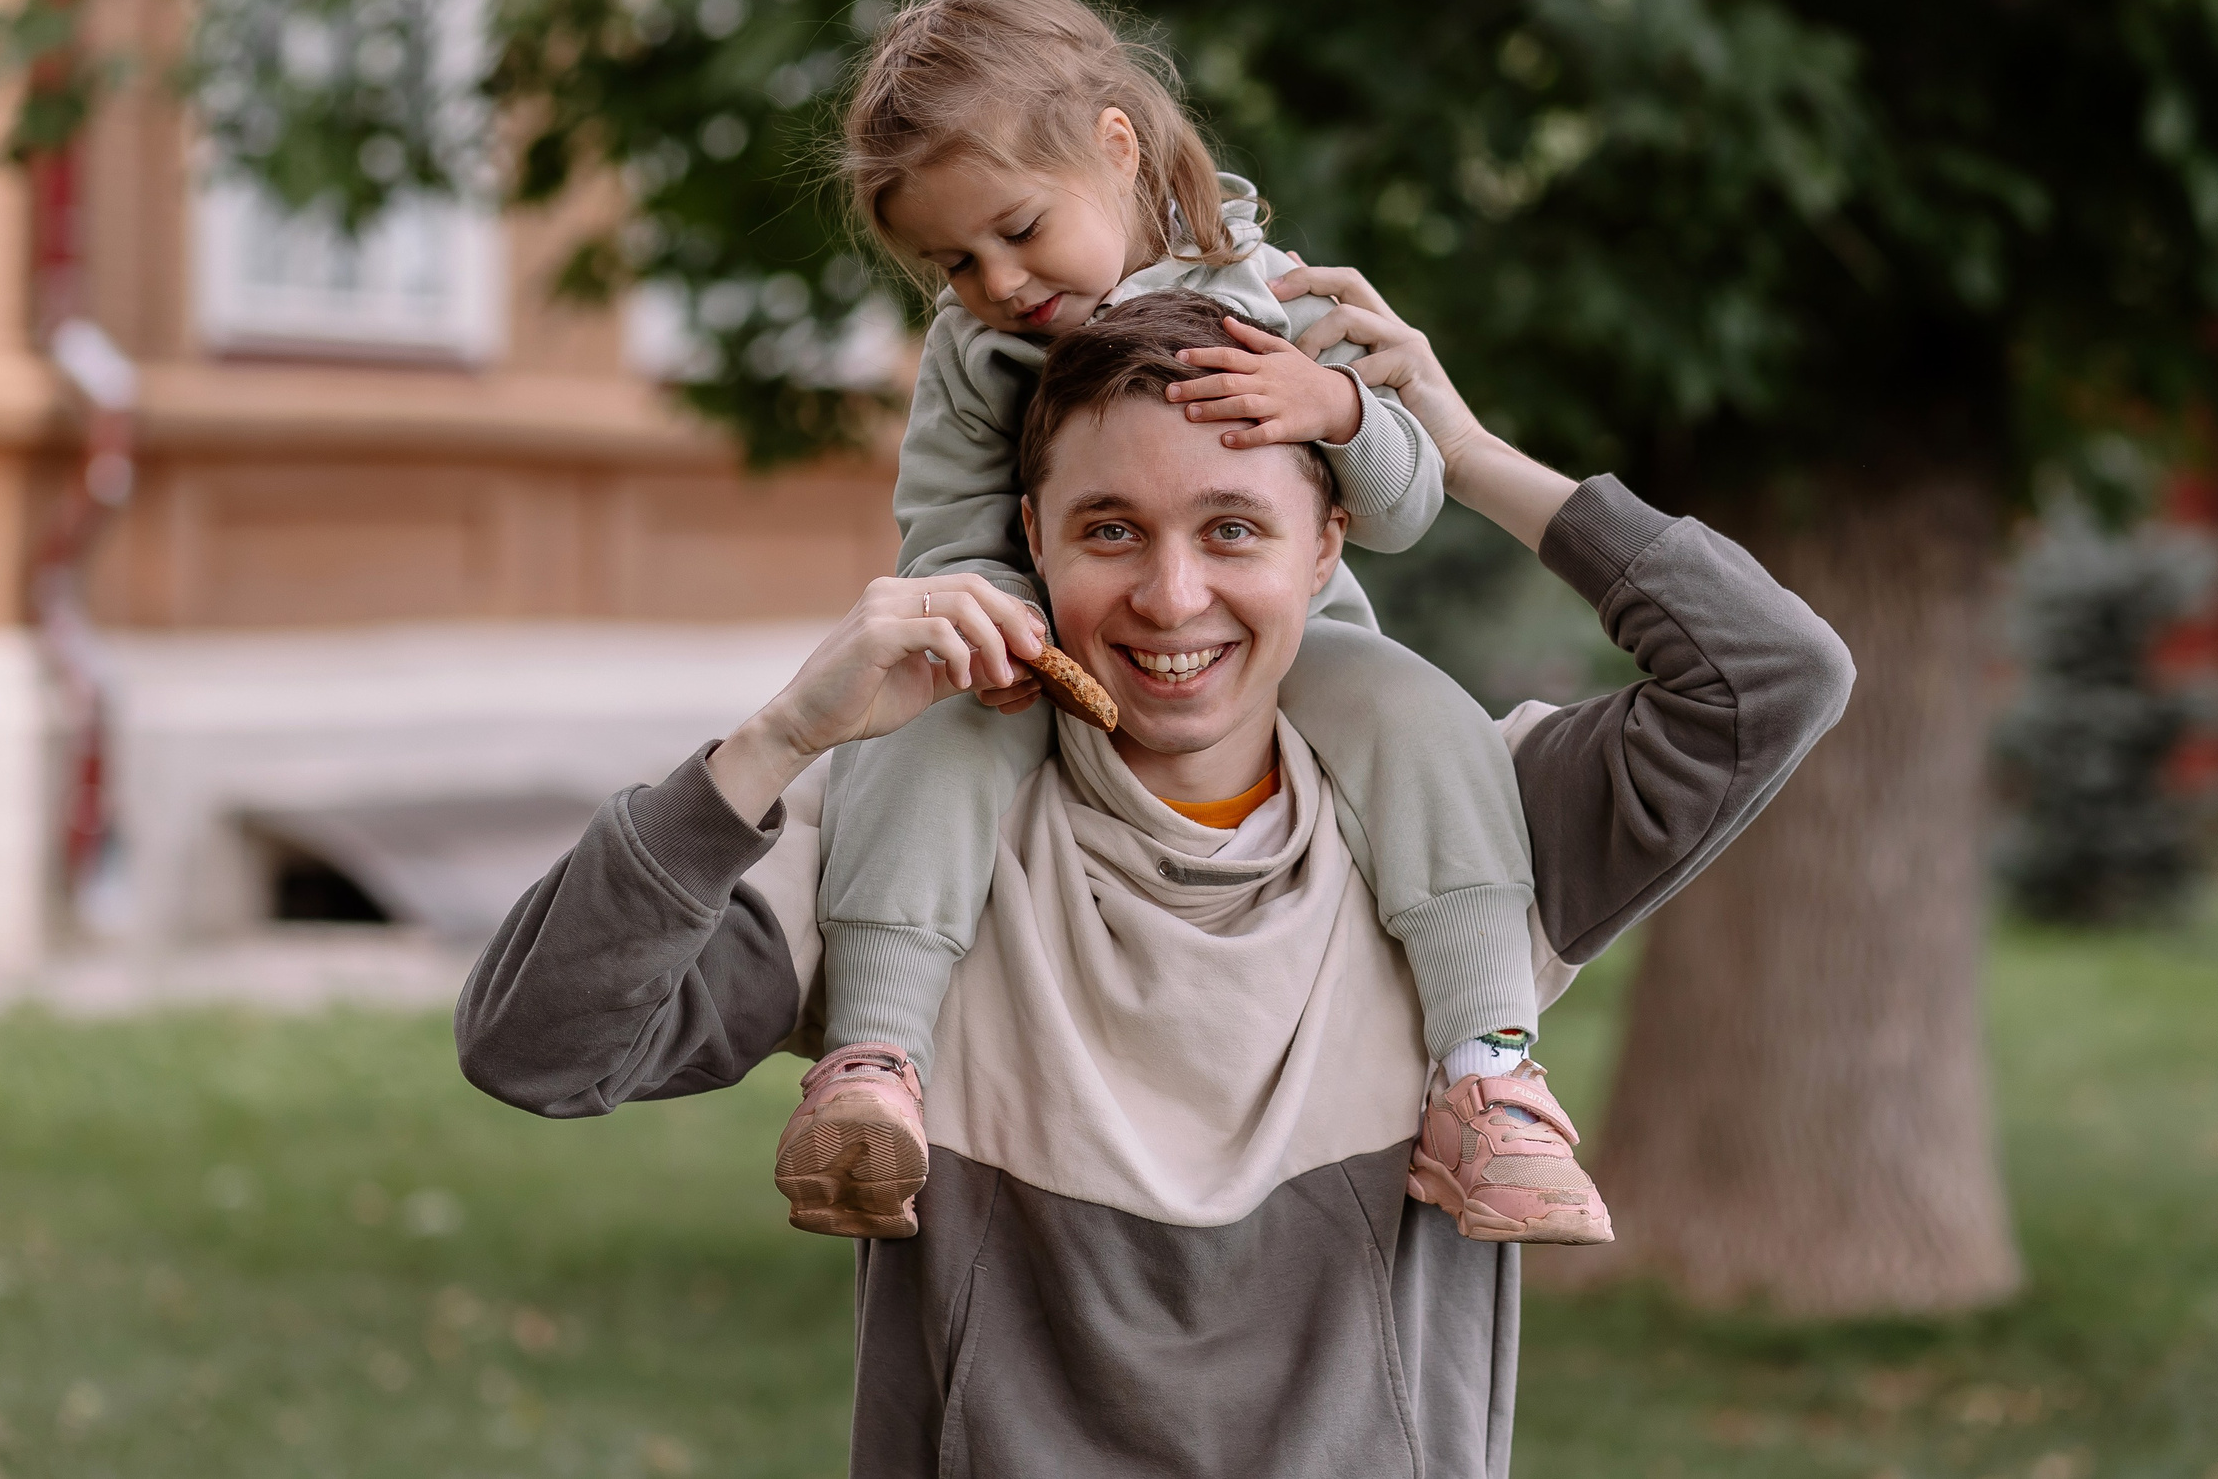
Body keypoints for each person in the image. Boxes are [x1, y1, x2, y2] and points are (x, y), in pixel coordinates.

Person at [456, 275, 1854, 1478]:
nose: (1172, 597)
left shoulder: (1482, 836)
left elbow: (1773, 676)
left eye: (1234, 528)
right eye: (1112, 528)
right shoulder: (895, 851)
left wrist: (1468, 453)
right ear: (1034, 538)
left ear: (1327, 547)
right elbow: (540, 1047)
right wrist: (775, 741)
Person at [800, 0, 1587, 1245]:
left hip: (1286, 652)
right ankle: (874, 1062)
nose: (997, 281)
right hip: (1055, 650)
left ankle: (1487, 1069)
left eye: (1018, 228)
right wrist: (1002, 615)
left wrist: (1337, 412)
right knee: (917, 745)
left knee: (1425, 721)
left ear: (1114, 146)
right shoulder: (970, 356)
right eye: (955, 261)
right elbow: (948, 529)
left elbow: (1398, 506)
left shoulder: (1272, 296)